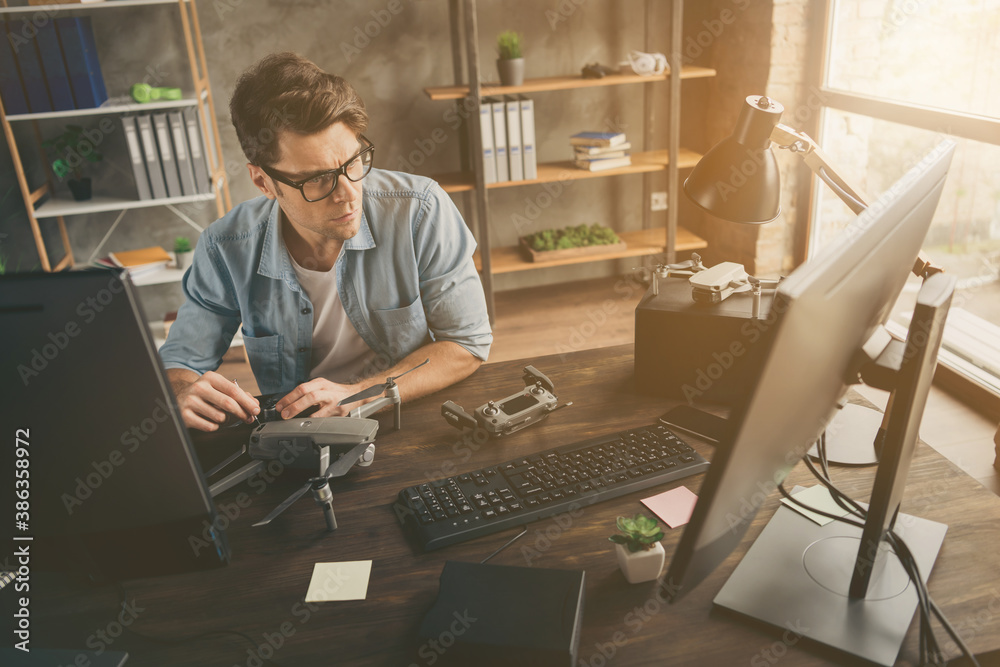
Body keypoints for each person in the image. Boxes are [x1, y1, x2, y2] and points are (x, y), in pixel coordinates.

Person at [159, 52, 492, 431]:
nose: (348, 193)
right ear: (263, 182)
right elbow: (180, 363)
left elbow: (466, 345)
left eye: (353, 162)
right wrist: (182, 390)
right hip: (300, 438)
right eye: (316, 179)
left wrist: (360, 396)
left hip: (408, 414)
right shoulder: (225, 246)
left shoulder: (421, 210)